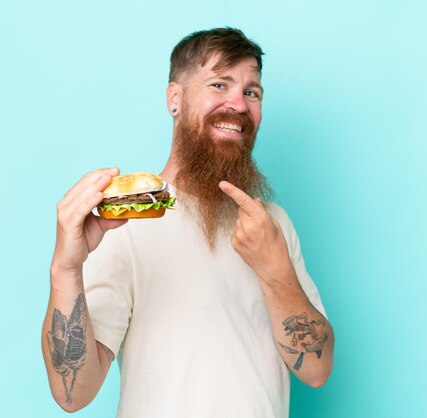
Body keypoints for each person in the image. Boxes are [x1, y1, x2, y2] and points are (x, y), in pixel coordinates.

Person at [41, 27, 334, 417]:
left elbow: (316, 369)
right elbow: (71, 394)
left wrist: (275, 268)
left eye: (252, 92)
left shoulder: (270, 224)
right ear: (175, 99)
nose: (240, 105)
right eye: (219, 84)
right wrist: (65, 268)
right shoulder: (125, 221)